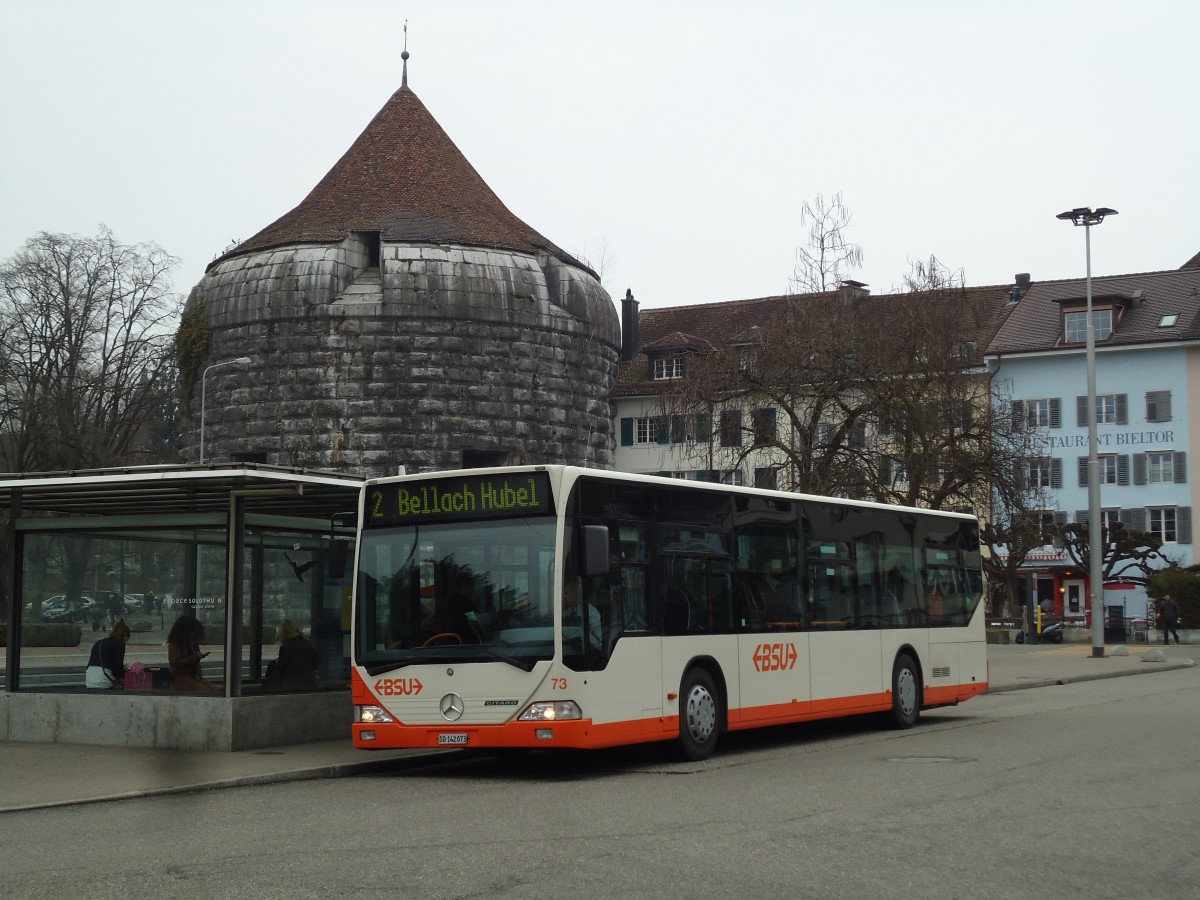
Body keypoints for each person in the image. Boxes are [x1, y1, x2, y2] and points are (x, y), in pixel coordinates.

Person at [167, 615, 219, 693]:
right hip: (180, 677)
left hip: (194, 676)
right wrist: (194, 658)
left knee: (215, 691)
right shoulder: (175, 643)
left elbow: (196, 662)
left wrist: (198, 673)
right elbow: (176, 662)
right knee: (205, 692)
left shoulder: (192, 643)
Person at [264, 619, 320, 691]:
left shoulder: (285, 647)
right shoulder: (308, 644)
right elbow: (316, 662)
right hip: (307, 683)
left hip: (290, 685)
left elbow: (280, 669)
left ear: (283, 632)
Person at [85, 619, 131, 689]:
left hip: (89, 680)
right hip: (103, 681)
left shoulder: (99, 643)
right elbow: (118, 668)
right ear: (125, 636)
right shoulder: (119, 644)